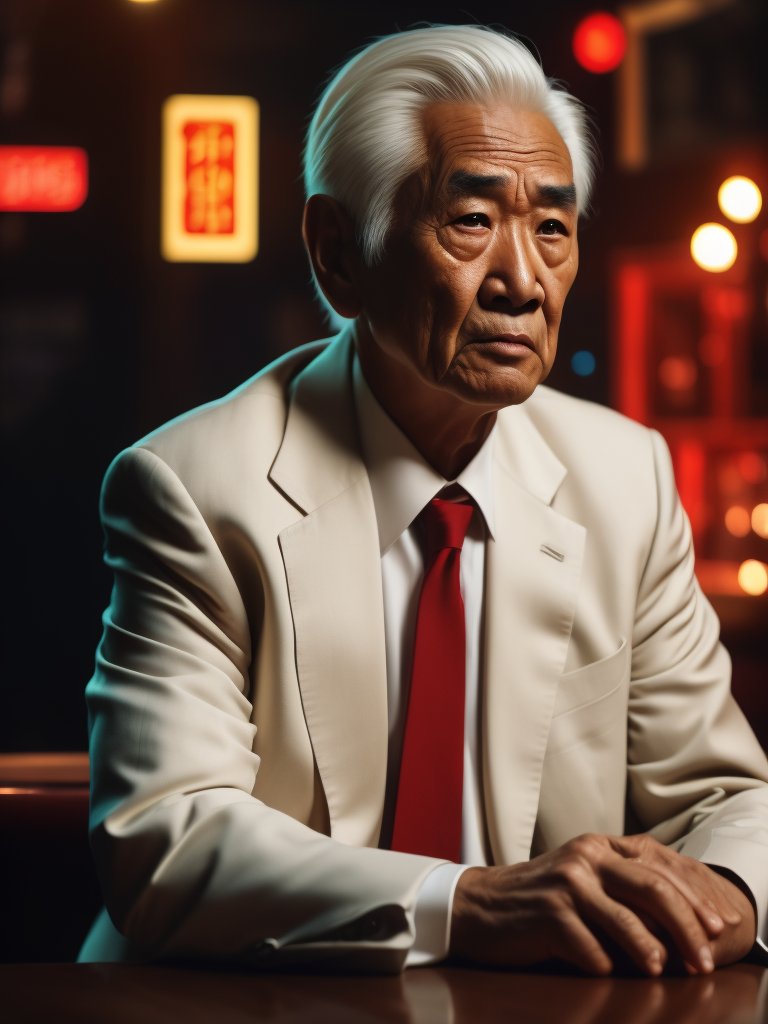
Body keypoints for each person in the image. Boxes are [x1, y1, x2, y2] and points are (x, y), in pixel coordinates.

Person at [79, 25, 768, 975]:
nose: (524, 281)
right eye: (471, 221)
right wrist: (468, 903)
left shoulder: (626, 478)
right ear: (339, 255)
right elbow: (164, 839)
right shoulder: (194, 488)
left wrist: (723, 898)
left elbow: (729, 797)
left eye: (553, 228)